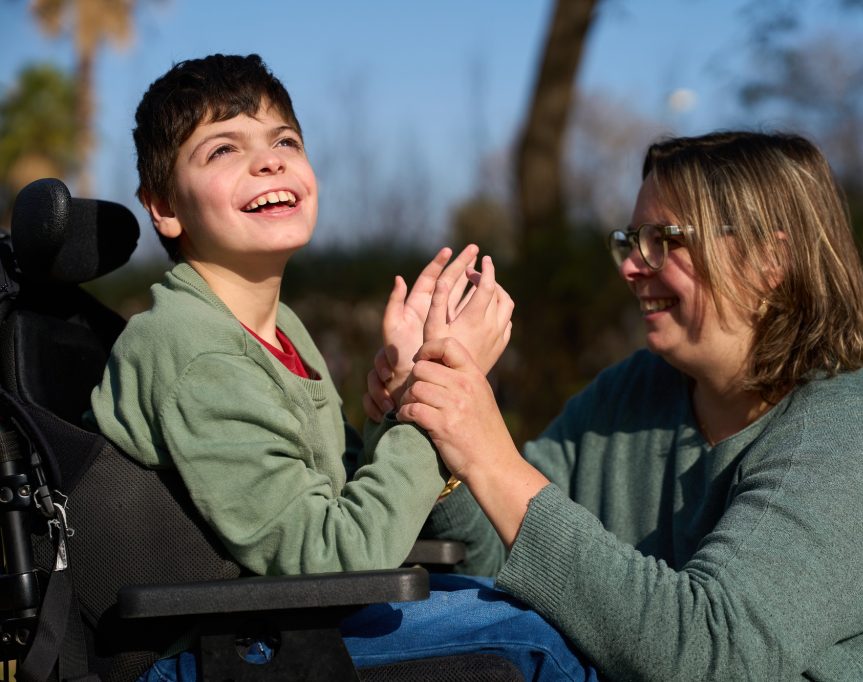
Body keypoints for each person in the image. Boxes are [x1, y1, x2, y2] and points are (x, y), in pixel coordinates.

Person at [369, 131, 863, 679]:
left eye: (667, 239)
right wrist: (426, 415)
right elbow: (506, 558)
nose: (632, 266)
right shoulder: (637, 393)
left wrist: (492, 456)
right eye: (632, 240)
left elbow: (712, 653)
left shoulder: (858, 432)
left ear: (773, 258)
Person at [87, 54, 598, 682]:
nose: (270, 159)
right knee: (545, 637)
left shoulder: (279, 329)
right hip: (206, 648)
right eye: (223, 149)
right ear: (164, 206)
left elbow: (341, 507)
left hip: (276, 617)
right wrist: (447, 391)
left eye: (285, 141)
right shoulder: (191, 349)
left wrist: (406, 396)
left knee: (538, 602)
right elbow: (335, 559)